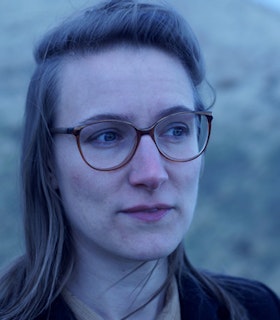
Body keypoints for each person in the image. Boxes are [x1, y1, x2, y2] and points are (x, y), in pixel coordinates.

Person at [0, 0, 279, 319]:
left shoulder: (257, 310)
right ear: (49, 164)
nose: (152, 173)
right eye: (107, 136)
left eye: (175, 130)